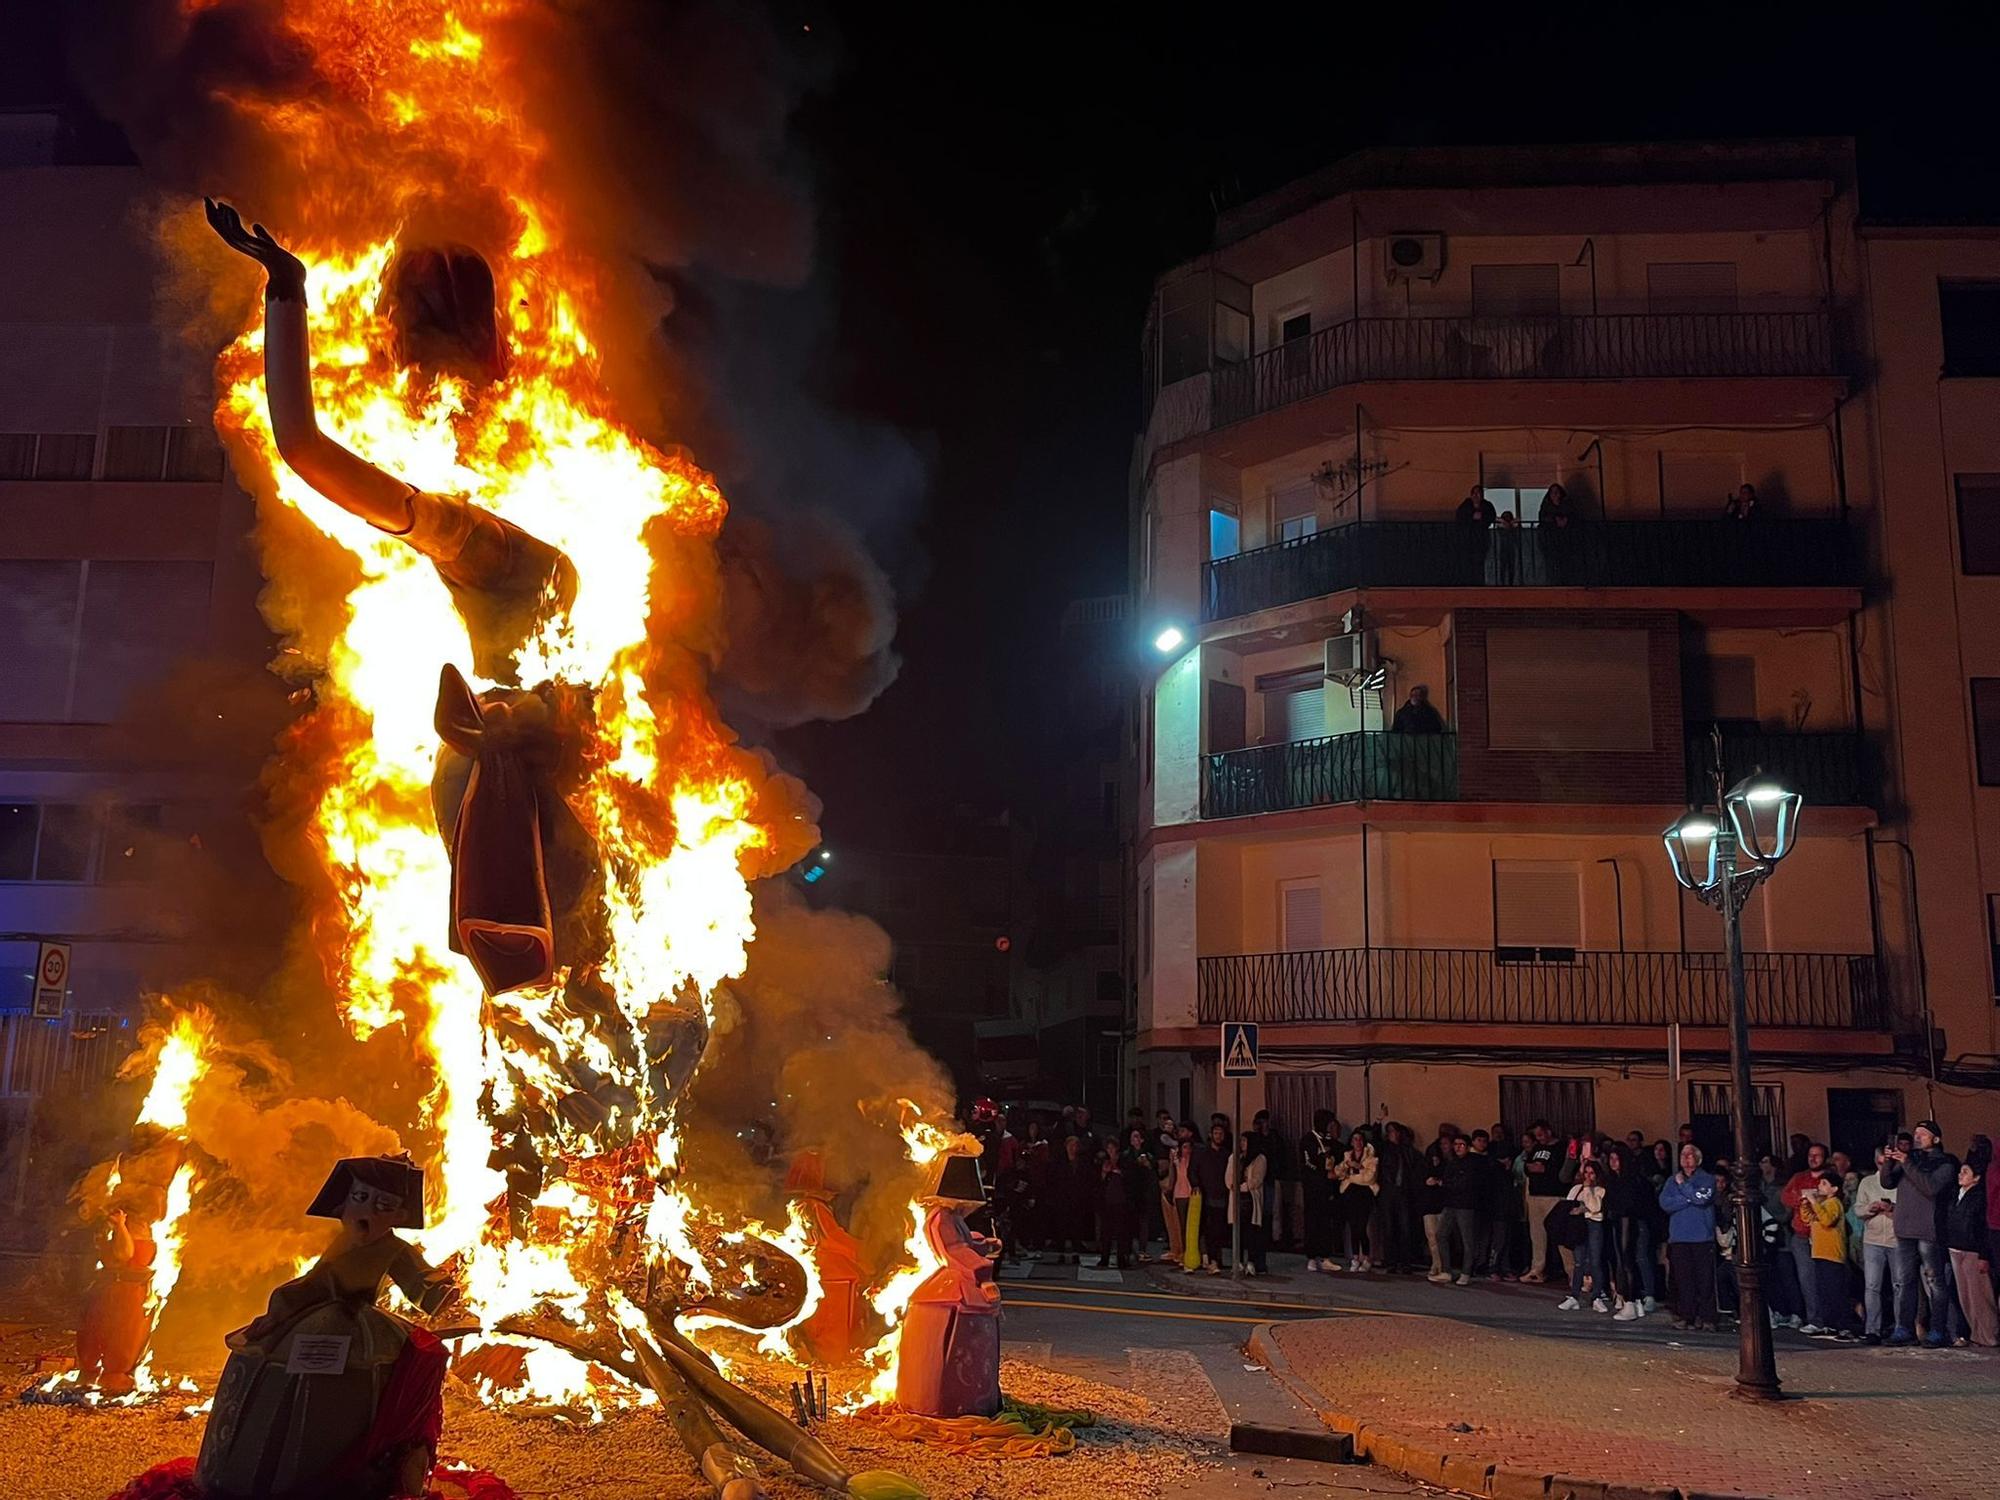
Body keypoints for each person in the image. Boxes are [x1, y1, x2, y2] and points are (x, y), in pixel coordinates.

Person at [1882, 1122, 1959, 1346]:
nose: (1918, 1137)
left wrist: (1907, 1163)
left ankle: (1938, 1330)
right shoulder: (1911, 1158)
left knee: (1934, 1281)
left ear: (1936, 1139)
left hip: (1929, 1229)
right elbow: (1887, 1182)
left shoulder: (1945, 1162)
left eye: (1923, 1134)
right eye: (1916, 1133)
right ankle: (1904, 1328)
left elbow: (1930, 1187)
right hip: (1905, 1228)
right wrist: (1889, 1161)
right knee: (1904, 1281)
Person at [1659, 1144, 1720, 1330]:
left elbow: (1703, 1198)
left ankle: (1708, 1317)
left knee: (1705, 1280)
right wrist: (1689, 1197)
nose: (1686, 1157)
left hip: (1702, 1238)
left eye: (1690, 1154)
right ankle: (1688, 1316)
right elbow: (1665, 1203)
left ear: (1698, 1159)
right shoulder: (1671, 1180)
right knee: (1684, 1281)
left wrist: (1684, 1187)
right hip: (1679, 1238)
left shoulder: (1707, 1179)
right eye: (1683, 1154)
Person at [1781, 1142, 1833, 1333]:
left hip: (1825, 1235)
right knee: (1806, 1278)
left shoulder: (1829, 1179)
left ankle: (1830, 1320)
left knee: (1827, 1278)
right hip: (1802, 1235)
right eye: (1811, 1155)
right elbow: (1785, 1197)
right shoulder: (1799, 1177)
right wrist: (1802, 1200)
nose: (1813, 1158)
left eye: (1817, 1155)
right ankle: (1814, 1319)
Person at [1946, 1160, 1998, 1347]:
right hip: (1955, 1249)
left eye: (1966, 1172)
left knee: (1980, 1298)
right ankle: (1976, 1334)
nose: (1961, 1175)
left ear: (1976, 1178)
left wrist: (1983, 1256)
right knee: (1965, 1297)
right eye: (1960, 1171)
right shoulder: (1956, 1195)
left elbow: (1983, 1230)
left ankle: (1989, 1336)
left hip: (1972, 1251)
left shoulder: (1979, 1198)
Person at [1852, 1144, 1900, 1344]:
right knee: (1872, 1286)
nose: (1883, 1169)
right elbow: (1857, 1209)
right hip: (1872, 1239)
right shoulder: (1867, 1182)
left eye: (1886, 1164)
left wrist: (1892, 1209)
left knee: (1900, 1286)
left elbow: (1907, 1211)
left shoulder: (1900, 1181)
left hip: (1896, 1240)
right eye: (1880, 1164)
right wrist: (1870, 1208)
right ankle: (1873, 1329)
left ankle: (1901, 1328)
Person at [1605, 1143, 1658, 1319]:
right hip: (1625, 1222)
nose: (1613, 1163)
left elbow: (1627, 1204)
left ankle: (1629, 1303)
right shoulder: (1621, 1179)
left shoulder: (1628, 1181)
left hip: (1628, 1222)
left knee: (1627, 1261)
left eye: (1616, 1159)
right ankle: (1635, 1301)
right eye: (1611, 1159)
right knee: (1629, 1262)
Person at [1803, 1170, 1855, 1338]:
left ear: (1834, 1189)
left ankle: (1844, 1327)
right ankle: (1829, 1324)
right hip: (1819, 1253)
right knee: (1824, 1291)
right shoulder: (1823, 1204)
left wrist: (1813, 1202)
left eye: (1824, 1184)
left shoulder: (1834, 1203)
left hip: (1832, 1255)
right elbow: (1808, 1218)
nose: (1819, 1186)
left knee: (1836, 1293)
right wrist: (1806, 1204)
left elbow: (1826, 1220)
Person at [1557, 1158, 1610, 1312]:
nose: (1588, 1176)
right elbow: (1569, 1204)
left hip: (1595, 1226)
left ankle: (1596, 1297)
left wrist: (1587, 1194)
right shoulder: (1576, 1188)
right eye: (1586, 1173)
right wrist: (1582, 1207)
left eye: (1592, 1173)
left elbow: (1595, 1207)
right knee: (1578, 1261)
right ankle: (1574, 1296)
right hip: (1579, 1226)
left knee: (1595, 1261)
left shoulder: (1601, 1189)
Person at [1520, 1121, 1563, 1282]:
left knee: (1559, 1234)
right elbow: (1527, 1166)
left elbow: (1552, 1169)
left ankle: (1570, 1270)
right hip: (1535, 1195)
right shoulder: (1537, 1148)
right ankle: (1537, 1269)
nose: (1539, 1138)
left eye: (1540, 1135)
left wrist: (1539, 1168)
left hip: (1553, 1195)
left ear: (1549, 1132)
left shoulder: (1560, 1147)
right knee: (1537, 1235)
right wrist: (1534, 1167)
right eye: (1536, 1136)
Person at [1332, 1129, 1379, 1273]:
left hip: (1364, 1194)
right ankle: (1354, 1257)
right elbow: (1338, 1172)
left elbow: (1369, 1177)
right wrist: (1346, 1167)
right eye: (1355, 1139)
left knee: (1362, 1226)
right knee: (1353, 1226)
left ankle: (1366, 1257)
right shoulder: (1347, 1156)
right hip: (1350, 1194)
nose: (1357, 1142)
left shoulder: (1371, 1157)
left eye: (1359, 1139)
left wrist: (1357, 1170)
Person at [1299, 1109, 1338, 1272]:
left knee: (1325, 1222)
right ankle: (1311, 1257)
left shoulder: (1329, 1140)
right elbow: (1307, 1162)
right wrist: (1322, 1171)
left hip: (1326, 1188)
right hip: (1312, 1187)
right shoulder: (1308, 1140)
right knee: (1312, 1221)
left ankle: (1325, 1256)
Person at [1192, 1121, 1232, 1275]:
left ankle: (1217, 1259)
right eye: (1216, 1133)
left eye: (1221, 1133)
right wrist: (1196, 1185)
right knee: (1209, 1230)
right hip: (1206, 1197)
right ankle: (1210, 1259)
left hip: (1222, 1197)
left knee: (1220, 1230)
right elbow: (1193, 1171)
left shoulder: (1226, 1155)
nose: (1218, 1136)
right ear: (1210, 1135)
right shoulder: (1202, 1153)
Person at [1228, 1131, 1270, 1276]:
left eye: (1245, 1141)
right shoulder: (1235, 1157)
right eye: (1241, 1141)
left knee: (1252, 1232)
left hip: (1251, 1199)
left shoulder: (1259, 1159)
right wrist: (1234, 1186)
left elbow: (1256, 1180)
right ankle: (1238, 1261)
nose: (1242, 1144)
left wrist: (1243, 1186)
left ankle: (1252, 1262)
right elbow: (1229, 1177)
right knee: (1237, 1231)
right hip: (1237, 1199)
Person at [1455, 484, 1497, 583]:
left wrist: (1482, 517)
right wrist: (1471, 516)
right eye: (1474, 493)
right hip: (1468, 538)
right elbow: (1460, 517)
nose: (1476, 496)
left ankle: (1480, 582)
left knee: (1480, 561)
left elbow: (1491, 516)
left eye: (1478, 493)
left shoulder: (1487, 506)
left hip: (1482, 538)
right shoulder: (1465, 506)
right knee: (1468, 561)